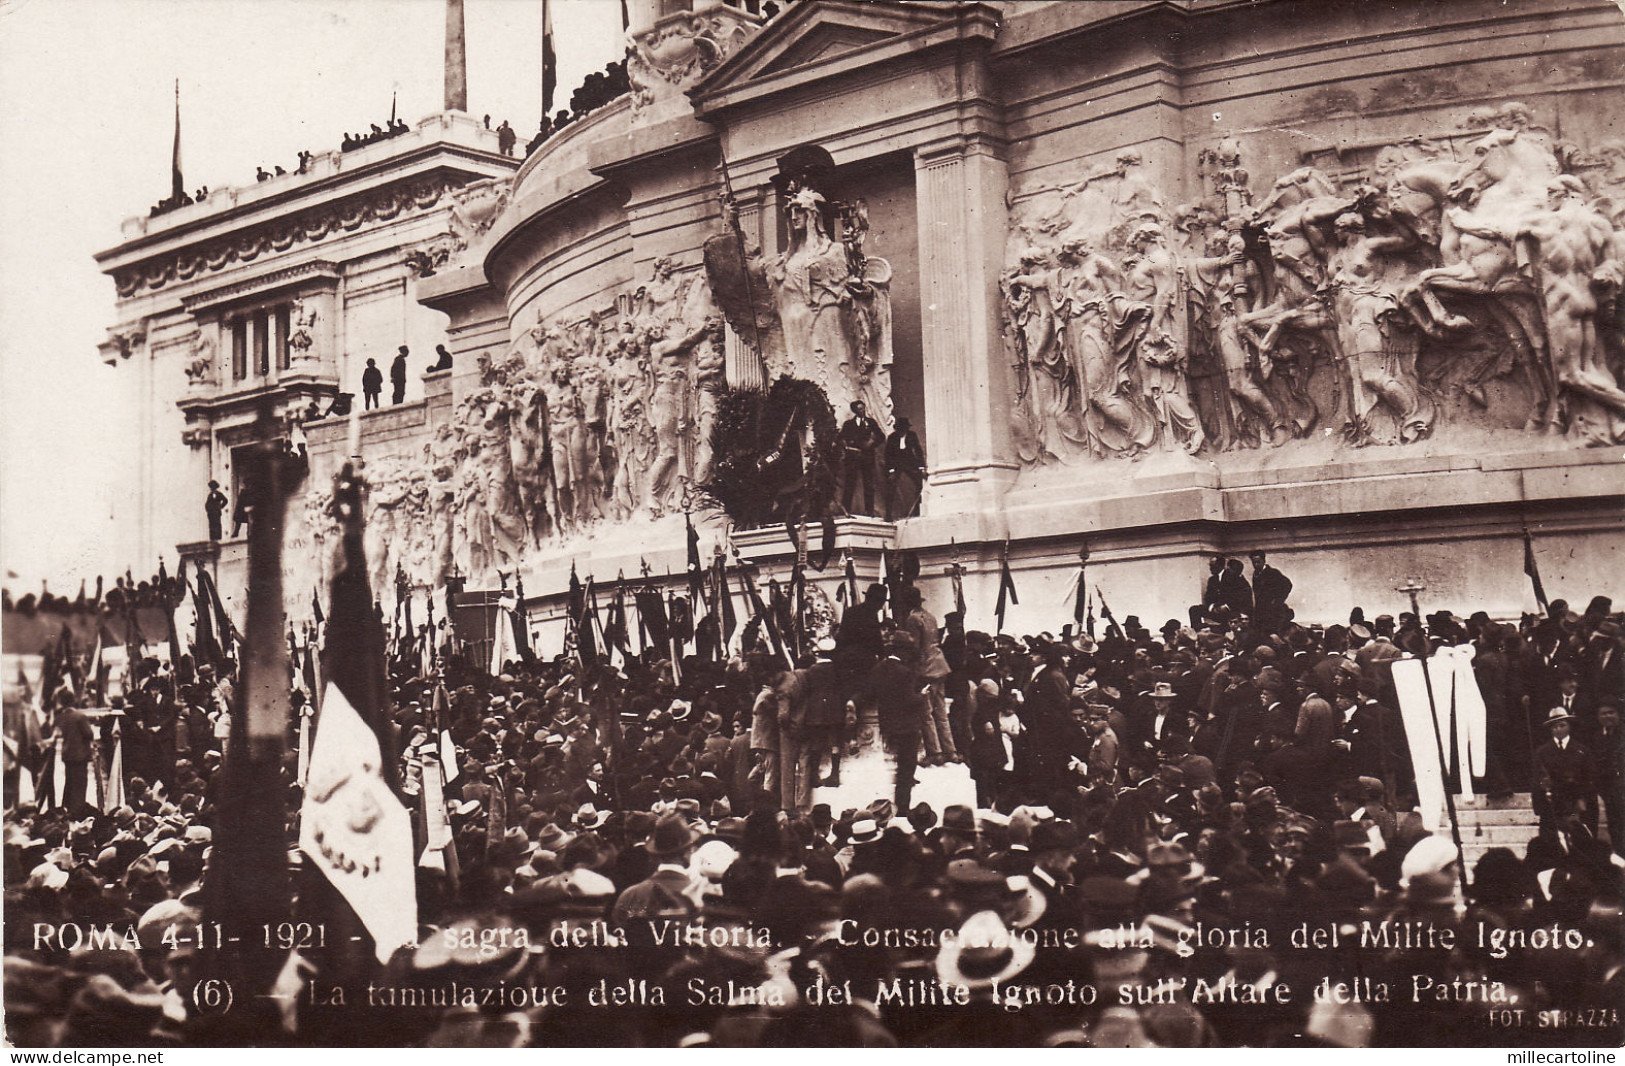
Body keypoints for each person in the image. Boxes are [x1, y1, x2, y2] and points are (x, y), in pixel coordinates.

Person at [838, 401, 884, 515]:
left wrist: (872, 443)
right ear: (854, 411)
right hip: (853, 458)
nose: (862, 411)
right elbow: (841, 438)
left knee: (869, 484)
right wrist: (848, 446)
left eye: (863, 408)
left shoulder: (871, 422)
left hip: (867, 458)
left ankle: (869, 511)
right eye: (859, 409)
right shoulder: (848, 424)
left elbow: (881, 436)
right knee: (850, 484)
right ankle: (845, 510)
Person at [883, 416, 925, 520]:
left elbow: (918, 450)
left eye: (904, 429)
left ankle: (916, 510)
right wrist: (891, 470)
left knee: (919, 482)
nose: (902, 431)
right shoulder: (892, 437)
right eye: (900, 429)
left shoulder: (912, 435)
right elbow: (888, 455)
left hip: (909, 461)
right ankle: (888, 514)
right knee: (891, 486)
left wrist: (921, 467)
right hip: (896, 463)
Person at [1250, 551, 1294, 634]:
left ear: (1264, 561)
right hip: (1260, 611)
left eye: (1258, 562)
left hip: (1273, 611)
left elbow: (1287, 585)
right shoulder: (1255, 574)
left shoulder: (1273, 573)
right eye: (1253, 563)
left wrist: (1277, 601)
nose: (1256, 565)